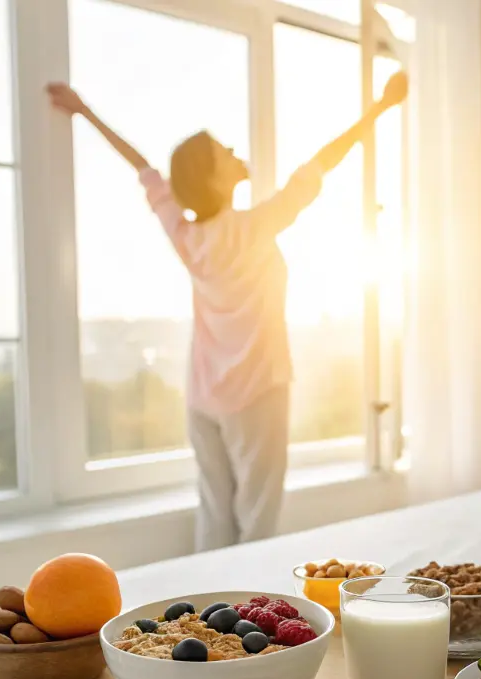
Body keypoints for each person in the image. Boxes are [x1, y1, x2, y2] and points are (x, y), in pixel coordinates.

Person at [47, 72, 409, 551]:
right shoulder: (256, 227)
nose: (236, 152)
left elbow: (144, 169)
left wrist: (85, 110)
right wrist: (380, 108)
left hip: (203, 397)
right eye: (225, 152)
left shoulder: (186, 235)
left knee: (216, 515)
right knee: (257, 519)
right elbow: (320, 164)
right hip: (257, 392)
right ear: (215, 177)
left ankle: (206, 616)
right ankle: (248, 613)